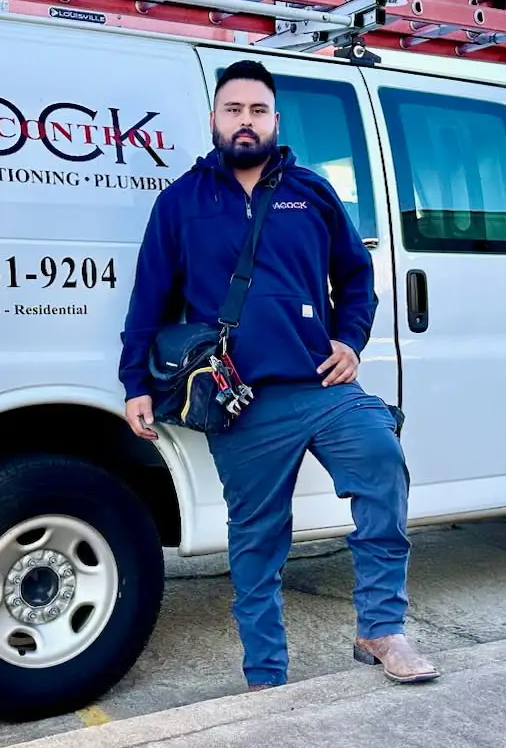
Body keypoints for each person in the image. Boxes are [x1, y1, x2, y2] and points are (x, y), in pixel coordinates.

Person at [118, 59, 438, 690]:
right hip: (240, 403)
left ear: (274, 120)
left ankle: (381, 626)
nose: (245, 122)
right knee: (258, 541)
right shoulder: (181, 201)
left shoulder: (312, 191)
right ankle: (266, 674)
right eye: (233, 110)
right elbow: (148, 300)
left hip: (322, 387)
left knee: (381, 464)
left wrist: (350, 340)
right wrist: (135, 383)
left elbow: (355, 277)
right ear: (214, 118)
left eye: (256, 111)